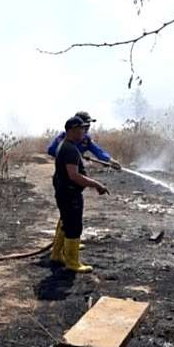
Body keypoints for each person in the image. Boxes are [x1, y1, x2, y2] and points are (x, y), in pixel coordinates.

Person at [50, 116, 109, 273]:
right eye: (81, 129)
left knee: (66, 222)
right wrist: (97, 185)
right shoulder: (69, 149)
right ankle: (72, 262)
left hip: (64, 192)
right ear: (72, 130)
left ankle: (56, 254)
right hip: (69, 194)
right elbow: (74, 176)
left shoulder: (66, 145)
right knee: (74, 227)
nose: (84, 131)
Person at [47, 111, 122, 170]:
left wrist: (110, 160)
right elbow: (51, 151)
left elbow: (98, 151)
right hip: (64, 170)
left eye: (89, 125)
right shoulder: (63, 137)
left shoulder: (86, 140)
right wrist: (72, 155)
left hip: (77, 169)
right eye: (86, 125)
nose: (88, 127)